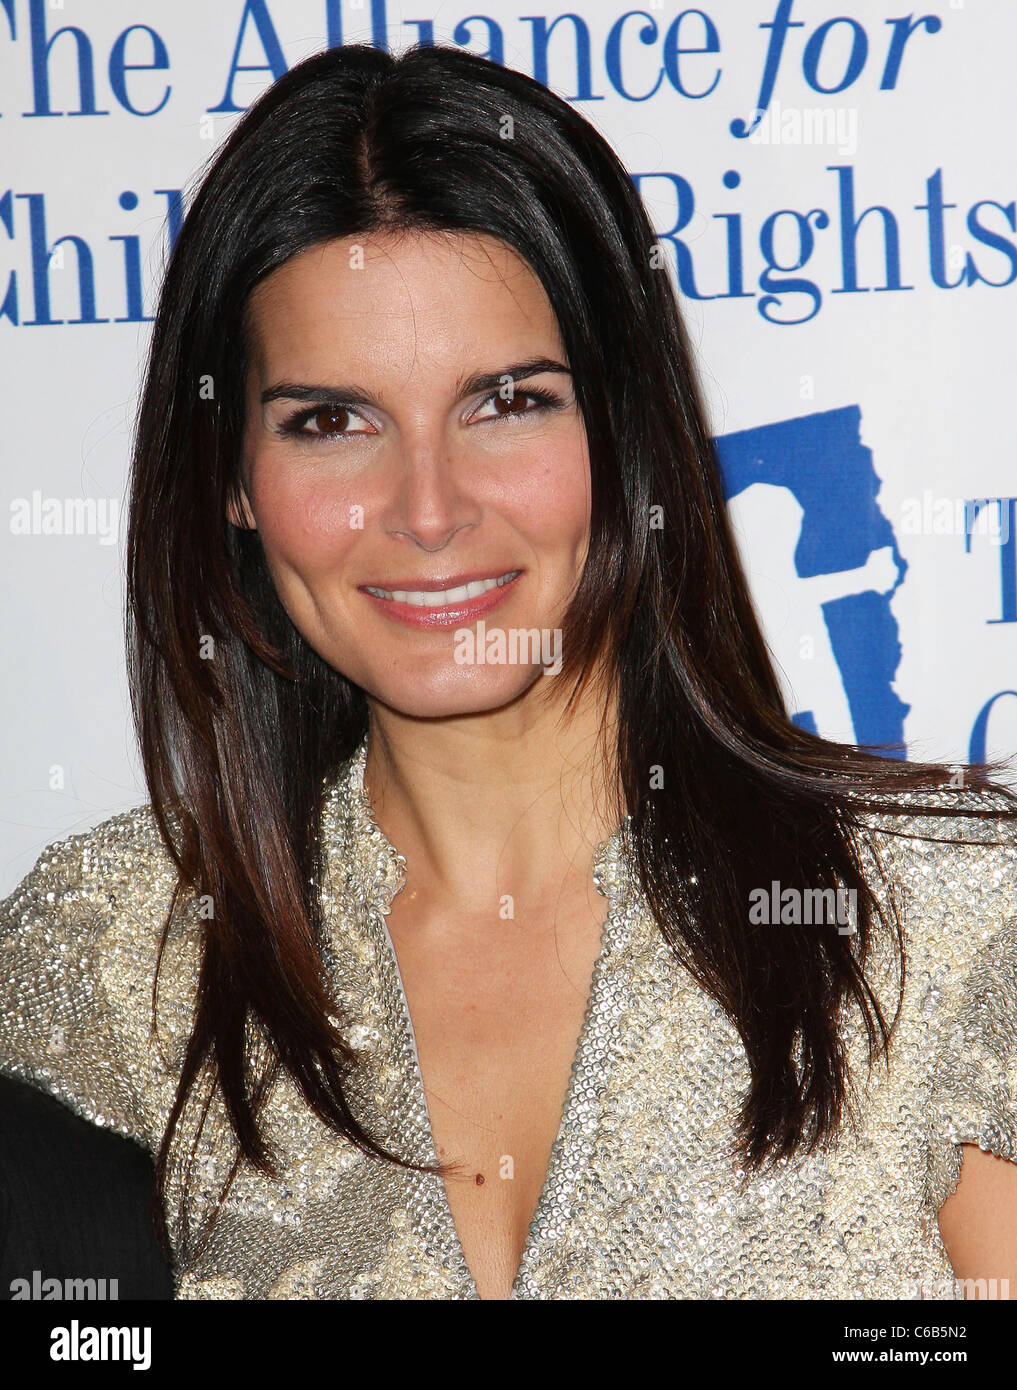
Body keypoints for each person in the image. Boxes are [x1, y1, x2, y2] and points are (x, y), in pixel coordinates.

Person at [1, 41, 1015, 1302]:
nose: (427, 508)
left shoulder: (957, 914)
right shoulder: (111, 960)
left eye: (508, 402)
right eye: (332, 420)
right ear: (232, 483)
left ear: (626, 431)